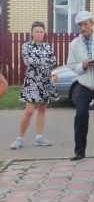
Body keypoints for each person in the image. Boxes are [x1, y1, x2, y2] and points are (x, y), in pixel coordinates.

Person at [66, 11, 94, 161]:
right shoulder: (74, 44)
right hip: (84, 85)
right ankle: (79, 152)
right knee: (80, 116)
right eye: (80, 25)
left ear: (92, 23)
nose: (83, 27)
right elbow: (71, 65)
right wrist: (82, 66)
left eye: (86, 24)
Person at [10, 21, 58, 149]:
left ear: (44, 33)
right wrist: (45, 60)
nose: (39, 34)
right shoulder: (26, 46)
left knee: (42, 109)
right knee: (30, 111)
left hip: (45, 80)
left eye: (41, 32)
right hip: (32, 81)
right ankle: (19, 138)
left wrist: (43, 60)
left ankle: (39, 137)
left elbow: (53, 60)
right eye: (37, 31)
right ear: (32, 33)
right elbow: (29, 61)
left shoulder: (47, 46)